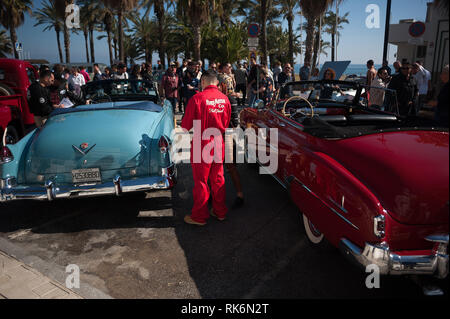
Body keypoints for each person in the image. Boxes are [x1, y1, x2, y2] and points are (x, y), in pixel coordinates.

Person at [181, 70, 231, 226]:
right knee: (218, 178)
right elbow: (227, 122)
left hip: (202, 142)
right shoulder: (225, 99)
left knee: (201, 181)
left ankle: (199, 216)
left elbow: (185, 126)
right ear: (216, 82)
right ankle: (220, 211)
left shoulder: (197, 98)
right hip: (218, 141)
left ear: (203, 82)